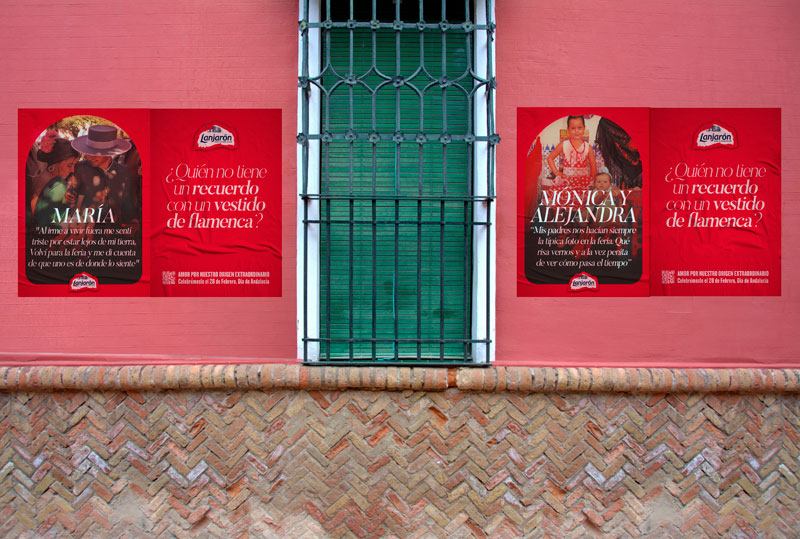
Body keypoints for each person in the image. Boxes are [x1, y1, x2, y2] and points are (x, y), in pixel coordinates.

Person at [31, 139, 80, 227]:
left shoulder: (40, 173)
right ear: (56, 161)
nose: (72, 170)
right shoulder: (58, 184)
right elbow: (45, 224)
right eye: (69, 165)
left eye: (74, 165)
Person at [546, 115, 597, 190]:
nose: (576, 131)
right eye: (573, 128)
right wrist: (556, 172)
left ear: (584, 128)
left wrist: (593, 182)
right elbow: (550, 158)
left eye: (579, 128)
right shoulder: (564, 145)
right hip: (567, 182)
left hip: (583, 183)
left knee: (581, 200)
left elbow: (593, 167)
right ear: (568, 129)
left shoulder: (588, 147)